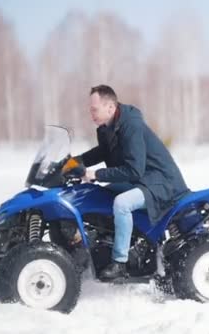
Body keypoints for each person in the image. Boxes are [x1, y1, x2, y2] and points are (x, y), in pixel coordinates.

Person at [72, 85, 190, 281]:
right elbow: (103, 152)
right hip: (142, 180)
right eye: (90, 109)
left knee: (122, 203)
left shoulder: (130, 125)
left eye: (94, 109)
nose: (91, 113)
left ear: (110, 107)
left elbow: (134, 169)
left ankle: (119, 262)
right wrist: (73, 162)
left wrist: (95, 174)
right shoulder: (106, 128)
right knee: (95, 196)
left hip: (159, 181)